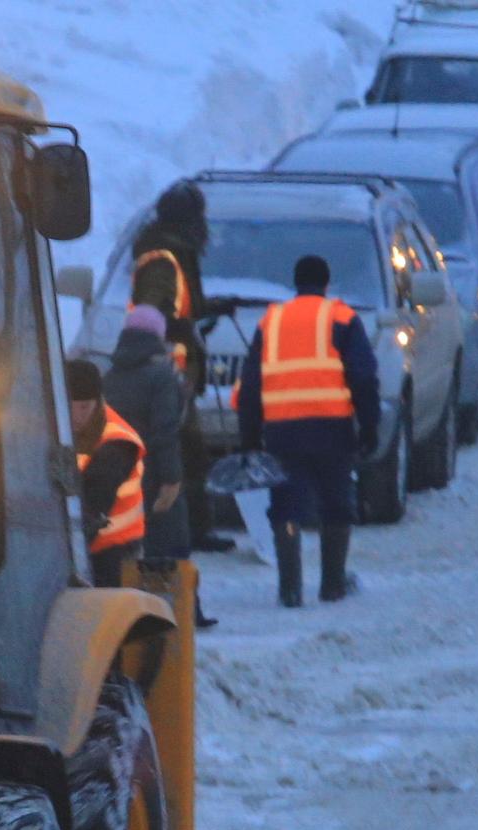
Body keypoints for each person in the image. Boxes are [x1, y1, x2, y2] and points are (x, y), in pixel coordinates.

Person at [236, 255, 381, 608]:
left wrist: (250, 436)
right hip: (333, 428)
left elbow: (251, 383)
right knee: (336, 503)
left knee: (286, 505)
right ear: (327, 283)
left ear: (295, 283)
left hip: (283, 430)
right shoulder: (343, 318)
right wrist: (370, 425)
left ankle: (289, 589)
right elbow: (363, 377)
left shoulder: (271, 320)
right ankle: (332, 584)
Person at [127, 183, 236, 557]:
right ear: (190, 221)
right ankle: (177, 535)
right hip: (167, 372)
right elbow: (152, 312)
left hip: (175, 372)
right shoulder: (162, 259)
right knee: (178, 457)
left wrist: (212, 307)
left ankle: (194, 530)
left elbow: (178, 305)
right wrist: (186, 330)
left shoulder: (174, 252)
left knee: (191, 454)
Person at [105, 305, 215, 627]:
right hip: (154, 473)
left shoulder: (110, 375)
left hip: (118, 474)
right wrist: (171, 478)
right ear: (157, 336)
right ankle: (184, 611)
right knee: (171, 545)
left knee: (128, 547)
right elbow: (164, 431)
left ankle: (135, 613)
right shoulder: (161, 375)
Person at [68, 359, 146, 588]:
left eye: (84, 407)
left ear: (98, 402)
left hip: (114, 553)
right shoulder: (57, 428)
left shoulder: (115, 445)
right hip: (89, 546)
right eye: (70, 406)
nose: (76, 415)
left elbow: (92, 505)